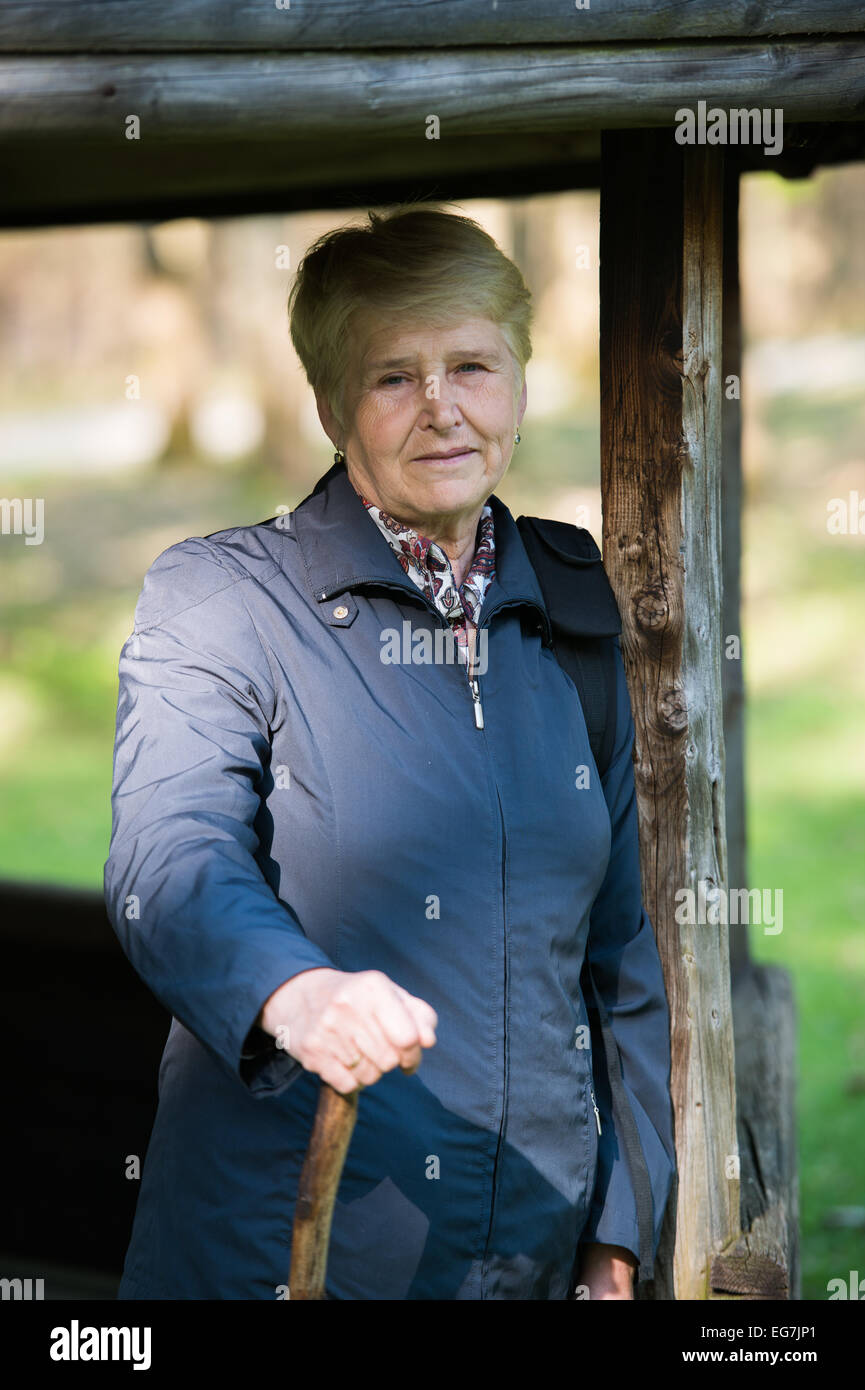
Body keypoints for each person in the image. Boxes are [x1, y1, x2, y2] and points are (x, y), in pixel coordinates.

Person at [105, 206, 675, 1300]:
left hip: (532, 1261)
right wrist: (293, 988)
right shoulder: (221, 600)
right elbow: (165, 863)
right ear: (328, 404)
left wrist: (620, 1224)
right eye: (392, 377)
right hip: (283, 1259)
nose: (441, 409)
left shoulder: (570, 599)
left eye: (472, 365)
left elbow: (621, 953)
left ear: (519, 380)